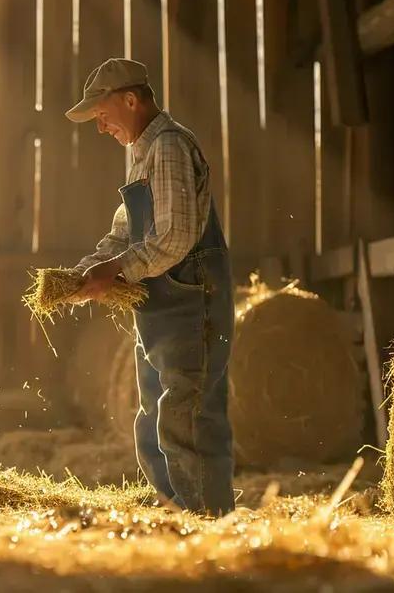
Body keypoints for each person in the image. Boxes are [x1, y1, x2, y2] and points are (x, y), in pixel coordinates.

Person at [66, 57, 235, 516]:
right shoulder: (142, 154)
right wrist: (87, 271)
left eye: (102, 115)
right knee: (153, 419)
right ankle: (174, 512)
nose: (100, 128)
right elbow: (125, 233)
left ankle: (205, 525)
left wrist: (117, 270)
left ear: (130, 100)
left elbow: (176, 236)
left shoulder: (170, 147)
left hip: (190, 301)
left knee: (188, 418)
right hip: (161, 308)